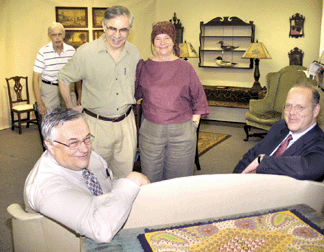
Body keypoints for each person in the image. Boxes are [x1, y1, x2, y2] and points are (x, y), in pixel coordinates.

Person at [24, 108, 149, 243]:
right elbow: (101, 231)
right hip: (70, 243)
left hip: (109, 220)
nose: (84, 149)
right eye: (73, 143)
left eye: (87, 138)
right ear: (50, 145)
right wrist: (130, 183)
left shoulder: (86, 156)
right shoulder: (46, 187)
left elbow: (110, 184)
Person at [58, 6, 140, 179]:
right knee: (95, 177)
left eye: (123, 30)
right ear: (103, 26)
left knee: (124, 178)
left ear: (130, 30)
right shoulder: (86, 52)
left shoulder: (134, 53)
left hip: (126, 125)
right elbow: (64, 78)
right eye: (112, 28)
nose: (117, 35)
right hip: (96, 126)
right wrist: (70, 106)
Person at [135, 21, 209, 183]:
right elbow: (134, 95)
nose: (162, 43)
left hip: (182, 132)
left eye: (167, 38)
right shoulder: (144, 67)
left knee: (179, 181)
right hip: (151, 133)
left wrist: (193, 125)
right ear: (152, 42)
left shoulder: (185, 67)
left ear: (173, 40)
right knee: (151, 179)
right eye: (158, 38)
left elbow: (198, 98)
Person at [233, 83, 324, 181]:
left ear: (315, 110)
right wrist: (235, 180)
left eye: (300, 107)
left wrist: (263, 161)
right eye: (288, 106)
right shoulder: (280, 127)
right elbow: (251, 155)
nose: (292, 112)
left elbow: (306, 169)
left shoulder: (320, 141)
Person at [33, 22, 81, 115]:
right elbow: (35, 80)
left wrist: (80, 94)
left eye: (59, 34)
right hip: (50, 90)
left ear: (63, 35)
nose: (57, 38)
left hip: (68, 88)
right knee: (51, 122)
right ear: (49, 36)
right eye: (54, 35)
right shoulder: (43, 52)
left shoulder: (71, 51)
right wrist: (40, 103)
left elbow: (77, 76)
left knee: (72, 118)